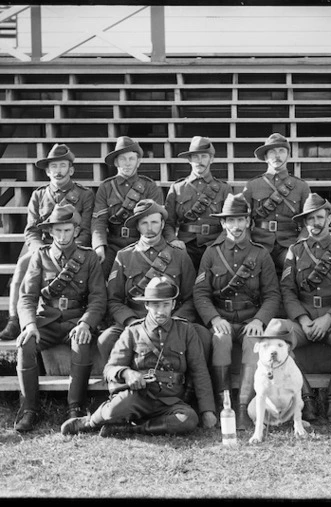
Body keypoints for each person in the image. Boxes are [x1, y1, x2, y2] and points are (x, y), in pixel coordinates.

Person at [61, 276, 216, 437]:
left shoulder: (185, 330)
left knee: (188, 419)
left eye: (165, 305)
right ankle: (89, 422)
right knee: (113, 410)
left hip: (170, 401)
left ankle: (132, 429)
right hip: (138, 397)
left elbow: (200, 372)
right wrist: (127, 374)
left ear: (173, 305)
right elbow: (110, 369)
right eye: (155, 305)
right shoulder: (133, 331)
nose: (160, 311)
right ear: (147, 305)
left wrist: (208, 411)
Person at [13, 204, 106, 432]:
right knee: (25, 345)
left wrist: (86, 323)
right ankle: (29, 409)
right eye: (58, 231)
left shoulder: (88, 257)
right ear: (50, 232)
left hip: (75, 320)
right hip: (46, 322)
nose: (63, 236)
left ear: (75, 230)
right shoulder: (40, 256)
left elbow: (98, 298)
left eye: (67, 230)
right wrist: (29, 325)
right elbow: (27, 296)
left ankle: (76, 407)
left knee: (82, 343)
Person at [193, 193, 282, 430]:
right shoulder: (211, 253)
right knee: (220, 339)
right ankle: (225, 404)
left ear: (248, 222)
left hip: (249, 319)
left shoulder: (260, 254)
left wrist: (259, 320)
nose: (236, 226)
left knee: (254, 341)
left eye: (241, 219)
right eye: (230, 221)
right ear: (223, 224)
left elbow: (272, 294)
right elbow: (200, 293)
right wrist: (213, 318)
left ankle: (243, 407)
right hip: (222, 317)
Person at [97, 199, 211, 368]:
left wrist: (175, 320)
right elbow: (114, 300)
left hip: (171, 318)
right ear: (137, 226)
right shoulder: (124, 256)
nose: (149, 228)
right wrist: (130, 321)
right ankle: (122, 385)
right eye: (144, 223)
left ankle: (190, 388)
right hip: (135, 319)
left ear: (163, 224)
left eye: (154, 222)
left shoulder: (179, 256)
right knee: (106, 339)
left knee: (203, 336)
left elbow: (191, 297)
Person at [0, 144, 94, 341]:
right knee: (23, 265)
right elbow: (31, 230)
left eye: (62, 166)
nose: (58, 171)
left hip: (72, 244)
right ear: (47, 171)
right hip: (43, 246)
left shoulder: (85, 195)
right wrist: (39, 250)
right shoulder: (39, 195)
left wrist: (71, 248)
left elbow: (84, 229)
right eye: (53, 167)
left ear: (71, 169)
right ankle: (14, 320)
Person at [279, 193, 331, 423]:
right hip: (303, 318)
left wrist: (329, 318)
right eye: (310, 220)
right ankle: (305, 398)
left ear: (329, 218)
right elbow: (287, 291)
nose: (315, 223)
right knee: (276, 330)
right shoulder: (295, 251)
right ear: (304, 223)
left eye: (319, 217)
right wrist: (303, 320)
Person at [92, 136, 163, 278]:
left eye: (131, 159)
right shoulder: (106, 187)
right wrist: (99, 247)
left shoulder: (149, 186)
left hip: (141, 241)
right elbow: (99, 221)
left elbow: (158, 219)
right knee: (98, 272)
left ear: (138, 162)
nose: (127, 163)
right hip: (113, 244)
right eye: (123, 159)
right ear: (116, 162)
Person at [242, 133, 310, 274]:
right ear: (266, 157)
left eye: (281, 151)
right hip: (259, 244)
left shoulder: (301, 186)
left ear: (288, 155)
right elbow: (242, 220)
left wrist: (298, 245)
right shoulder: (252, 186)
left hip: (289, 244)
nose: (277, 155)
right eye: (272, 152)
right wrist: (248, 245)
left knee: (298, 266)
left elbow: (308, 222)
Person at [163, 136, 231, 271]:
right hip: (185, 245)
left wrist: (220, 244)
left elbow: (229, 222)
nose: (200, 161)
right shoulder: (177, 188)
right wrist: (173, 240)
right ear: (189, 160)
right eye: (195, 157)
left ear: (211, 159)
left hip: (214, 243)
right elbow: (168, 222)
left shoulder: (224, 188)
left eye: (204, 156)